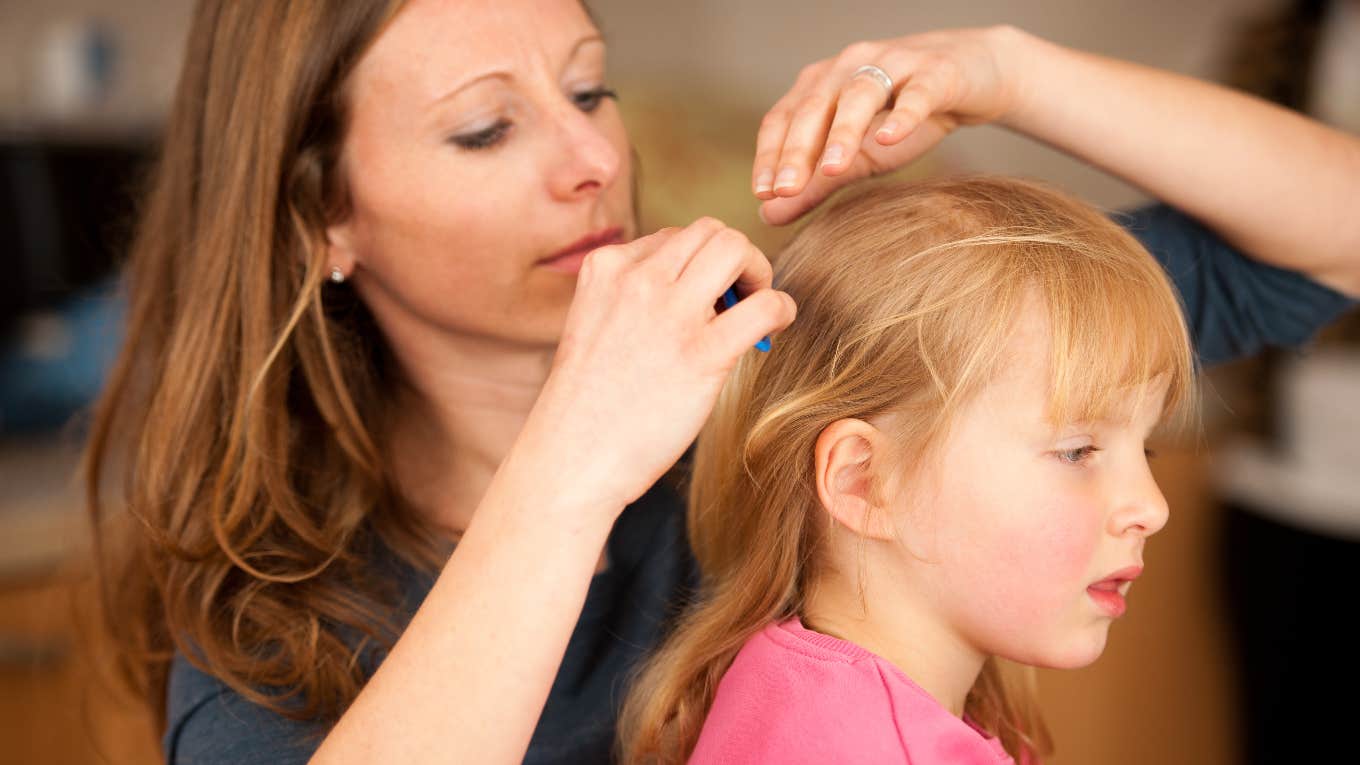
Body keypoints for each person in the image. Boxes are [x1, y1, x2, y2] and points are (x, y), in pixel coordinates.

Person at [80, 2, 1356, 763]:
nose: (589, 156)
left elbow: (1334, 234)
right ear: (321, 221)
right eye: (486, 128)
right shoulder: (277, 611)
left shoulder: (780, 375)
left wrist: (1006, 73)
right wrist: (569, 475)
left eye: (590, 87)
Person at [619, 175, 1197, 764]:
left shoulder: (782, 687)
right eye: (1078, 452)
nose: (1151, 507)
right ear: (864, 482)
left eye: (1143, 450)